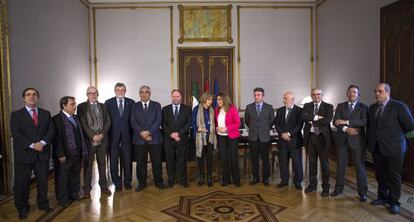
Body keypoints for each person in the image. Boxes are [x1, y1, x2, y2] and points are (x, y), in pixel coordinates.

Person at [367, 83, 414, 214]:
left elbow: (410, 127)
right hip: (377, 148)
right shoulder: (372, 108)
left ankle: (394, 202)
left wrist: (401, 142)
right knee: (380, 175)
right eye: (375, 91)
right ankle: (382, 197)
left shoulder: (399, 106)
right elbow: (371, 128)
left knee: (394, 176)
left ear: (388, 92)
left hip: (394, 148)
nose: (377, 94)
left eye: (380, 91)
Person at [10, 88, 55, 219]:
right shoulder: (16, 115)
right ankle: (22, 207)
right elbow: (16, 133)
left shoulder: (46, 114)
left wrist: (42, 143)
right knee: (22, 183)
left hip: (42, 152)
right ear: (24, 98)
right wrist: (32, 145)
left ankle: (43, 203)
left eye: (34, 94)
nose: (31, 97)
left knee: (42, 182)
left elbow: (51, 130)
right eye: (28, 95)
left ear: (38, 97)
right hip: (24, 154)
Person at [331, 85, 368, 202]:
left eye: (355, 92)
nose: (352, 94)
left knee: (360, 167)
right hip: (342, 140)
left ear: (358, 94)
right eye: (350, 92)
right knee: (340, 166)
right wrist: (346, 129)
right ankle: (338, 189)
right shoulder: (340, 106)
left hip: (357, 141)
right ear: (346, 94)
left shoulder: (363, 107)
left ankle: (363, 192)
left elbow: (363, 121)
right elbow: (335, 121)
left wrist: (346, 121)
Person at [52, 96, 88, 207]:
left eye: (75, 103)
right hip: (64, 155)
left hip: (77, 153)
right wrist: (61, 154)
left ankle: (73, 194)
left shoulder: (76, 118)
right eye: (72, 104)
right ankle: (63, 199)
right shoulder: (56, 119)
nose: (75, 106)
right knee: (63, 177)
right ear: (64, 105)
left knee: (75, 175)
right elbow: (56, 139)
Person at [77, 86, 112, 198]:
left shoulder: (103, 106)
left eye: (95, 93)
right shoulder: (81, 106)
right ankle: (87, 189)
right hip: (89, 140)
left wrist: (101, 135)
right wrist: (93, 136)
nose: (93, 95)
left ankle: (104, 187)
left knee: (103, 164)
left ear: (98, 94)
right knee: (88, 165)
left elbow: (108, 121)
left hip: (103, 139)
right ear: (87, 95)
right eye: (90, 93)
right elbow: (83, 122)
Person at [130, 85, 165, 191]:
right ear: (139, 94)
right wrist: (142, 133)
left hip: (155, 138)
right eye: (142, 92)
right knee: (140, 163)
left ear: (150, 93)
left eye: (146, 92)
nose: (144, 94)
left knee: (157, 161)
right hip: (139, 138)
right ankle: (142, 183)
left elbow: (158, 120)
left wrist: (149, 132)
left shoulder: (156, 105)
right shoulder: (134, 106)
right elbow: (133, 121)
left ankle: (159, 182)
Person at [302, 88, 333, 197]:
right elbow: (303, 117)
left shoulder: (329, 106)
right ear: (311, 96)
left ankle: (325, 187)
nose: (316, 96)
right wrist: (317, 117)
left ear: (322, 95)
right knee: (312, 163)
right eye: (314, 94)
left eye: (318, 94)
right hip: (310, 138)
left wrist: (311, 119)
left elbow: (327, 120)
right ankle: (313, 185)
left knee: (324, 164)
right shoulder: (307, 106)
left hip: (322, 138)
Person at [105, 83, 134, 192]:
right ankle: (117, 183)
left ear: (125, 91)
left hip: (127, 137)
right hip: (113, 138)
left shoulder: (131, 102)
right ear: (115, 91)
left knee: (127, 161)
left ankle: (127, 182)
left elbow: (133, 120)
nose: (120, 92)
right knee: (113, 163)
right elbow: (106, 121)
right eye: (118, 90)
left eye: (122, 90)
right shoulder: (108, 103)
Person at [244, 87, 274, 186]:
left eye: (258, 95)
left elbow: (271, 122)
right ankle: (255, 178)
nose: (256, 97)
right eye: (255, 95)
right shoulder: (249, 107)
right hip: (253, 137)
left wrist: (263, 129)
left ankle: (266, 178)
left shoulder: (269, 107)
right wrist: (255, 129)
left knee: (265, 159)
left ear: (263, 96)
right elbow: (247, 121)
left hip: (264, 137)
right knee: (254, 159)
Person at [162, 89, 192, 188]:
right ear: (171, 97)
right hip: (169, 139)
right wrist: (171, 134)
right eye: (174, 96)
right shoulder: (165, 109)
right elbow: (163, 124)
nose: (176, 98)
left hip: (182, 138)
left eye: (177, 96)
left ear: (181, 97)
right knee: (169, 160)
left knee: (182, 160)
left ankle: (182, 180)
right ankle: (171, 180)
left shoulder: (187, 109)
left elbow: (188, 124)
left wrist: (178, 133)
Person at [274, 92, 304, 190]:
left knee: (297, 163)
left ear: (292, 99)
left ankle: (298, 182)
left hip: (294, 141)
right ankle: (284, 181)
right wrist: (283, 134)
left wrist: (289, 134)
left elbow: (299, 126)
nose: (284, 100)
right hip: (282, 141)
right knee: (283, 162)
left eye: (286, 98)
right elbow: (277, 124)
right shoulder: (280, 110)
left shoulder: (299, 110)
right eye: (284, 98)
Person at [215, 92, 241, 187]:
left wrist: (226, 128)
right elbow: (217, 123)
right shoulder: (217, 110)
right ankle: (226, 180)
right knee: (224, 159)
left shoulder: (232, 109)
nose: (218, 101)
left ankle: (236, 180)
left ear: (225, 99)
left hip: (232, 137)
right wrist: (217, 128)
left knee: (233, 159)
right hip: (221, 137)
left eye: (220, 99)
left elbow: (238, 124)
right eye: (217, 99)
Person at [192, 92, 217, 187]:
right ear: (204, 99)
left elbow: (214, 122)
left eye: (211, 99)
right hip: (200, 138)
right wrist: (198, 128)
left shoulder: (211, 109)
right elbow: (193, 123)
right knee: (200, 159)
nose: (211, 101)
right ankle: (201, 176)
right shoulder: (196, 109)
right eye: (209, 99)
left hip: (210, 138)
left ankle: (209, 177)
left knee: (210, 158)